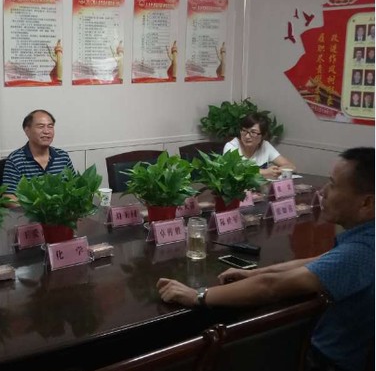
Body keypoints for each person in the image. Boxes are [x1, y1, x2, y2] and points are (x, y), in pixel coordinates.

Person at [157, 147, 374, 371]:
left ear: (367, 203)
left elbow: (271, 287)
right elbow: (317, 261)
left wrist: (198, 296)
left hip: (321, 362)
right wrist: (254, 273)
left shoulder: (361, 251)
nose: (323, 191)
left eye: (333, 185)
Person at [2, 109, 74, 201]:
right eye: (41, 126)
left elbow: (75, 186)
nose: (46, 131)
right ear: (27, 131)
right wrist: (34, 207)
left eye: (50, 126)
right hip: (30, 210)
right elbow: (8, 196)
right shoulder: (15, 159)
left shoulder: (63, 156)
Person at [223, 113, 295, 179]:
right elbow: (233, 171)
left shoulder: (265, 146)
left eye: (253, 132)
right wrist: (265, 172)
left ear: (263, 135)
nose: (247, 136)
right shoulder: (231, 146)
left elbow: (291, 166)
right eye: (244, 131)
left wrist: (276, 170)